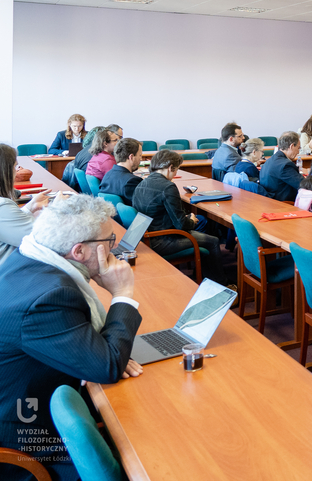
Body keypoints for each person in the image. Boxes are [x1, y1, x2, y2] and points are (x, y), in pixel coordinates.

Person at [0, 195, 143, 480]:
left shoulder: (27, 259)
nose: (115, 248)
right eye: (110, 240)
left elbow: (98, 358)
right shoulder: (49, 297)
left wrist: (98, 351)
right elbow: (108, 368)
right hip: (27, 439)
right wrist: (123, 295)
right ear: (79, 252)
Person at [132, 150, 229, 283]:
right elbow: (181, 225)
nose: (175, 174)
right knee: (213, 241)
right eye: (176, 170)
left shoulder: (142, 183)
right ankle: (220, 285)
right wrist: (191, 220)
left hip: (147, 236)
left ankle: (202, 273)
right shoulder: (168, 187)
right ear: (170, 167)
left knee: (202, 230)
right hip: (163, 239)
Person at [1, 143, 51, 265]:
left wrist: (30, 207)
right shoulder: (3, 206)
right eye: (15, 167)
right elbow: (42, 238)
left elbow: (9, 224)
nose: (16, 172)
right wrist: (57, 210)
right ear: (5, 171)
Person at [261, 132, 303, 202]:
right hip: (283, 203)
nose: (298, 152)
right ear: (291, 146)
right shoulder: (286, 165)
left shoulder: (270, 160)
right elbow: (303, 185)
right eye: (298, 148)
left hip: (269, 200)